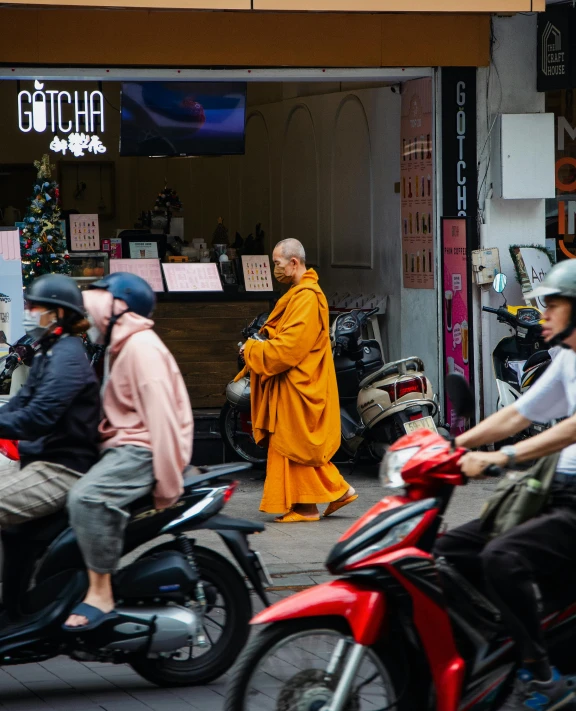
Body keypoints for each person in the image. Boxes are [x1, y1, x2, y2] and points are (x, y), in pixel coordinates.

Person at [434, 260, 576, 711]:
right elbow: (519, 413)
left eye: (554, 306)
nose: (544, 315)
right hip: (552, 490)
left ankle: (541, 674)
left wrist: (504, 456)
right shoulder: (567, 359)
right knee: (449, 550)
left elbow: (571, 428)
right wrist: (455, 444)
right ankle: (500, 643)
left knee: (503, 556)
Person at [63, 272, 193, 630]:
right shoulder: (119, 345)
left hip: (140, 450)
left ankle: (101, 593)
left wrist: (168, 486)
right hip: (121, 445)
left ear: (118, 307)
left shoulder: (140, 348)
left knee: (86, 499)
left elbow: (163, 421)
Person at [236, 238, 356, 523]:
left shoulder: (306, 296)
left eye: (277, 263)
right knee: (290, 445)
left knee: (295, 445)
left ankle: (334, 492)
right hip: (291, 384)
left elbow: (289, 349)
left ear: (293, 262)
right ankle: (307, 506)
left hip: (299, 383)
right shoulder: (298, 293)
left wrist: (253, 349)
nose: (275, 269)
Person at [0, 274, 99, 526]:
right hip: (40, 457)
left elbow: (38, 416)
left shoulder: (66, 357)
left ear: (59, 314)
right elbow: (21, 400)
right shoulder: (50, 350)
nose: (28, 312)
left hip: (61, 469)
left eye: (35, 307)